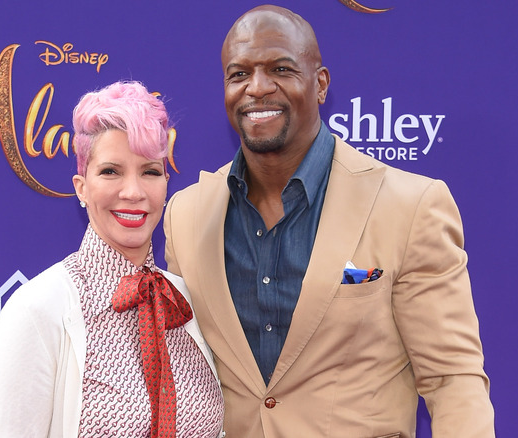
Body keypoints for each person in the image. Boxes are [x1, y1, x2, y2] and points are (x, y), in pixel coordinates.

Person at [163, 5, 494, 437]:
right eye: (239, 74)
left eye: (280, 69)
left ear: (320, 85)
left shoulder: (411, 205)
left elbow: (452, 378)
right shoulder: (185, 214)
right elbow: (183, 376)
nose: (257, 88)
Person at [0, 81, 224, 438]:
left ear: (166, 184)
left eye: (150, 172)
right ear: (82, 187)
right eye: (111, 171)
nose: (133, 192)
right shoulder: (36, 311)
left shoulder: (186, 300)